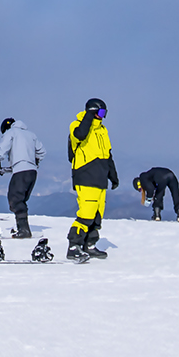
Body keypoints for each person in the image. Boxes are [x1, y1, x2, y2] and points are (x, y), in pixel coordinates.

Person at [67, 99, 116, 261]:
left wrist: (113, 175)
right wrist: (88, 117)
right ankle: (74, 246)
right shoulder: (77, 126)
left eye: (105, 114)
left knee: (96, 215)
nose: (102, 117)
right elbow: (79, 135)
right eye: (101, 113)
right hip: (85, 175)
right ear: (92, 112)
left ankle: (90, 245)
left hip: (101, 177)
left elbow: (107, 155)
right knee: (86, 214)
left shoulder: (102, 131)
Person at [0, 117, 43, 241]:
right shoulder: (31, 134)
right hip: (32, 172)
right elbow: (42, 152)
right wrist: (34, 161)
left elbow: (3, 148)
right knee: (21, 200)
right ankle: (22, 227)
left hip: (21, 172)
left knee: (15, 200)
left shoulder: (11, 132)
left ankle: (24, 230)